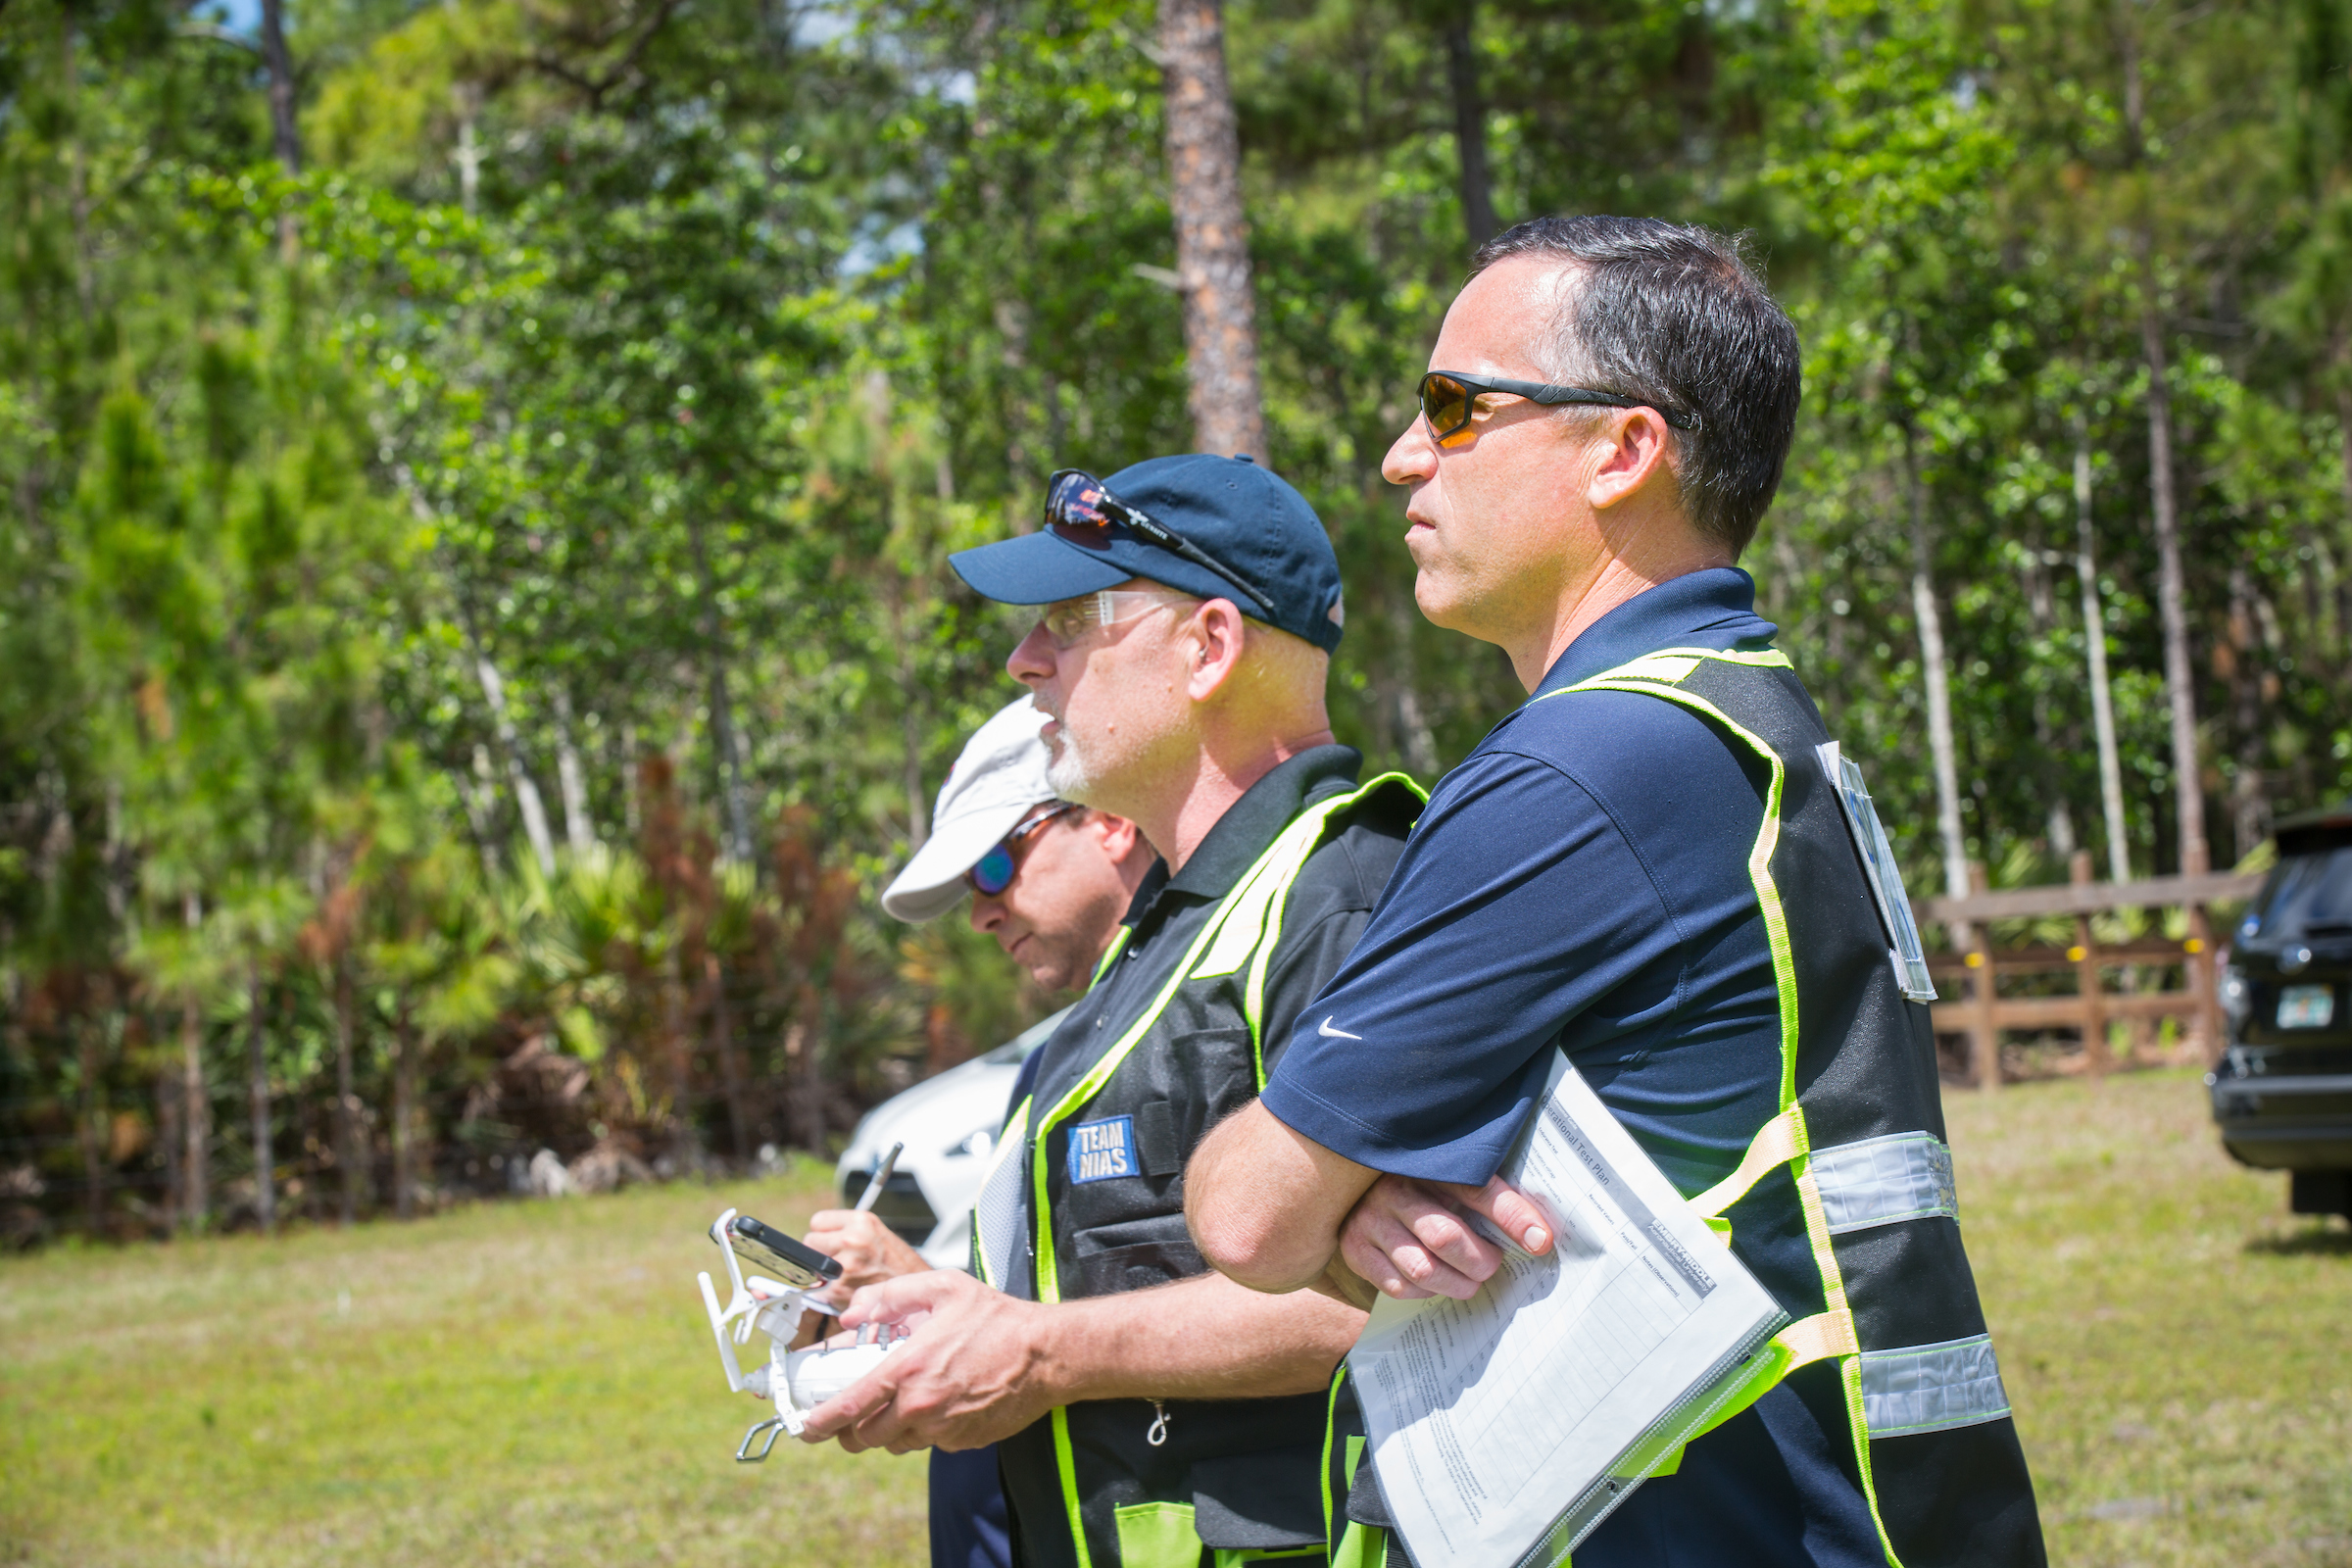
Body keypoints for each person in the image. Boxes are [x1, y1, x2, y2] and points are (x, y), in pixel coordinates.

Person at [1185, 218, 2046, 1567]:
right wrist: (1374, 1209)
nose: (1403, 456)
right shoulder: (1747, 722)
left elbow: (1242, 1213)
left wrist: (1338, 1202)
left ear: (1623, 449)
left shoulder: (1586, 765)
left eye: (1455, 406)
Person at [800, 454, 1423, 1568]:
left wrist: (1040, 1352)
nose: (1024, 660)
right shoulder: (1175, 925)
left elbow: (1378, 1305)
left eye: (1073, 620)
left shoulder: (1346, 894)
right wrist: (945, 1307)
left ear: (1209, 647)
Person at [801, 697, 1155, 1568]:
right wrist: (914, 1287)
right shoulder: (1054, 1062)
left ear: (1108, 818)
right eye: (969, 889)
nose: (981, 913)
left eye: (995, 866)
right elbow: (1061, 1317)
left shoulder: (1198, 1025)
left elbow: (1298, 1316)